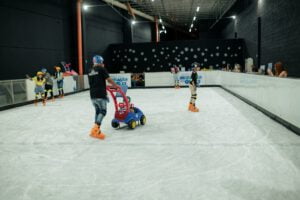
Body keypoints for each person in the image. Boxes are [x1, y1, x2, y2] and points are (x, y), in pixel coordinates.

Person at [88, 55, 119, 140]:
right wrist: (116, 86)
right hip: (100, 94)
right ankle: (95, 128)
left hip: (92, 95)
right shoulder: (101, 69)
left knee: (97, 111)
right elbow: (108, 79)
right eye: (102, 62)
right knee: (103, 111)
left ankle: (95, 131)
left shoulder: (90, 70)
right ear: (100, 62)